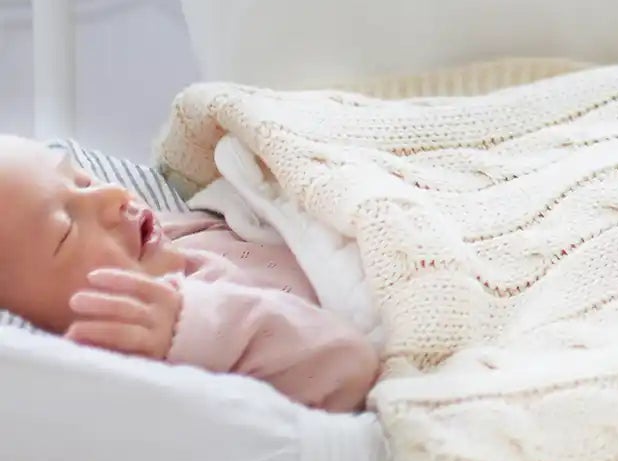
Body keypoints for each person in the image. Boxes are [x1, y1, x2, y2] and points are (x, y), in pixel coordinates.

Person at [0, 136, 377, 412]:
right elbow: (349, 366)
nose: (114, 196)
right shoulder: (177, 349)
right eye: (66, 228)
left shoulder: (159, 238)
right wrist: (193, 325)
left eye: (83, 180)